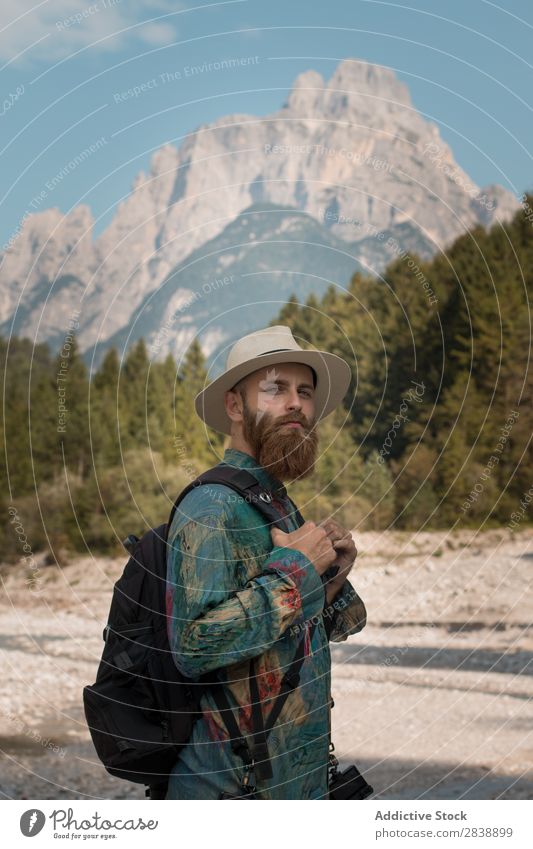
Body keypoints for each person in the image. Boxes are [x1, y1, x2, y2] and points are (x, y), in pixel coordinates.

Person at [165, 325, 367, 799]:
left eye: (305, 391)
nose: (296, 403)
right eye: (275, 389)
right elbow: (192, 646)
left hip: (290, 785)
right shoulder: (212, 507)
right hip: (228, 796)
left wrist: (331, 574)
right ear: (235, 406)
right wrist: (298, 568)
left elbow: (318, 630)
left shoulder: (273, 501)